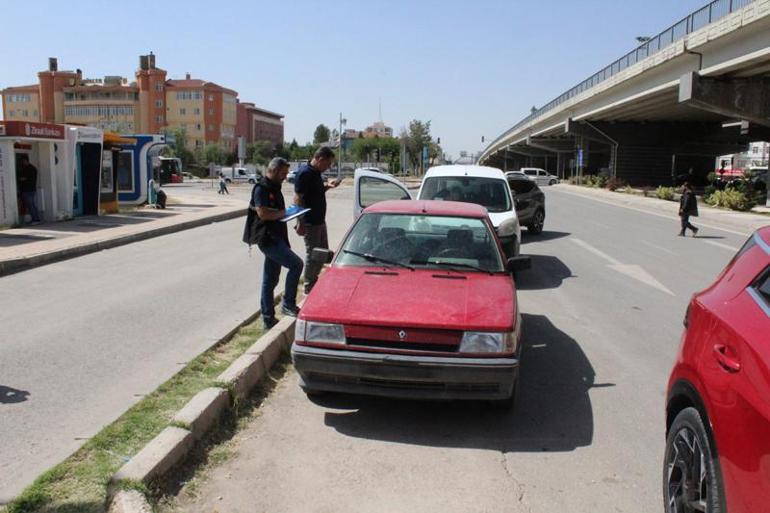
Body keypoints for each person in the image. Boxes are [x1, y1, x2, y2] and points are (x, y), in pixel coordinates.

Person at [245, 157, 303, 329]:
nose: (285, 177)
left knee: (270, 280)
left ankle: (268, 319)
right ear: (274, 170)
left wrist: (286, 213)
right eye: (283, 173)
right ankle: (288, 304)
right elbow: (263, 214)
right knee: (296, 265)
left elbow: (276, 212)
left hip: (277, 236)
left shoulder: (275, 188)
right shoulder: (261, 188)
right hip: (267, 239)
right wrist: (284, 213)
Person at [294, 147, 341, 294]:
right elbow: (298, 198)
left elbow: (315, 192)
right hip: (310, 222)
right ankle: (308, 286)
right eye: (328, 164)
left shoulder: (316, 173)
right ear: (320, 158)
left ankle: (314, 281)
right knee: (313, 254)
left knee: (322, 254)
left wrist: (328, 186)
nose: (328, 167)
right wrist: (300, 222)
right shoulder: (304, 173)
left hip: (320, 220)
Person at [17, 155, 41, 224]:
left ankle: (36, 219)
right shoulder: (33, 168)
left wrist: (22, 179)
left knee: (30, 205)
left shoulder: (28, 169)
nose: (22, 162)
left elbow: (24, 178)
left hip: (27, 190)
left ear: (25, 160)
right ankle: (35, 219)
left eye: (22, 161)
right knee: (31, 205)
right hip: (31, 189)